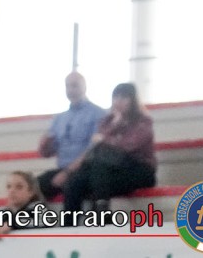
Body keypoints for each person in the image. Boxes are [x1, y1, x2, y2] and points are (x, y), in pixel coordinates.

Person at [61, 82, 156, 216]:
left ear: (133, 100)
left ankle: (102, 213)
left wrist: (108, 136)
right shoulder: (108, 121)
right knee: (75, 182)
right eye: (116, 97)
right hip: (109, 170)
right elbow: (97, 143)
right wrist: (115, 124)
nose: (118, 101)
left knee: (99, 167)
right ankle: (69, 223)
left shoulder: (143, 121)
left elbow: (128, 145)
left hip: (138, 169)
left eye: (124, 97)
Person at [37, 71, 109, 200]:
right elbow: (47, 152)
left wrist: (67, 172)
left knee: (71, 186)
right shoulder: (59, 118)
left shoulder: (98, 114)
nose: (70, 90)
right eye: (67, 86)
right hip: (62, 169)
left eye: (75, 85)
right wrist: (44, 145)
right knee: (30, 188)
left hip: (85, 172)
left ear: (84, 87)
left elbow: (93, 151)